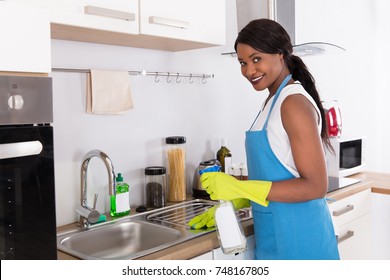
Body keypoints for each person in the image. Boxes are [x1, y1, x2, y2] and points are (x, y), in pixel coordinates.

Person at [188, 18, 339, 260]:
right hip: (275, 235)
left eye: (257, 59)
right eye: (243, 63)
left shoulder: (293, 103)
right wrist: (241, 197)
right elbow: (278, 174)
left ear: (281, 54)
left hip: (301, 240)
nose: (249, 71)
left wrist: (240, 186)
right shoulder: (272, 101)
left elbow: (316, 185)